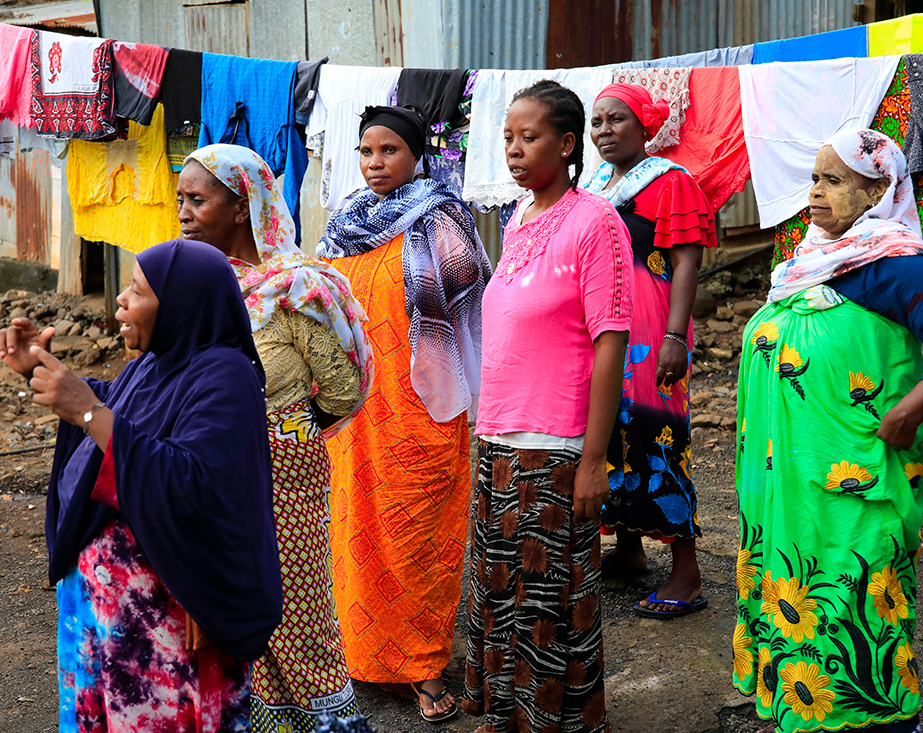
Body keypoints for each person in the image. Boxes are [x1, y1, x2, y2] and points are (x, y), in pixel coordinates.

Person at [734, 129, 923, 733]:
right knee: (797, 598)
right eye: (816, 178)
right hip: (790, 481)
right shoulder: (815, 256)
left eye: (833, 180)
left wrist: (906, 412)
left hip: (857, 476)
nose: (815, 193)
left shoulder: (896, 264)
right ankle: (805, 713)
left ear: (877, 191)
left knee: (856, 600)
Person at [0, 239, 281, 732]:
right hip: (110, 616)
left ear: (181, 304)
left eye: (137, 290)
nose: (122, 300)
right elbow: (124, 412)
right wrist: (43, 372)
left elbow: (201, 487)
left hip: (165, 623)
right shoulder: (156, 363)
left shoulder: (224, 378)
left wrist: (87, 411)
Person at [177, 143, 372, 731]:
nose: (182, 212)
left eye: (197, 199)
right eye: (180, 199)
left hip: (283, 465)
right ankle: (268, 718)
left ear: (243, 207)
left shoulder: (298, 288)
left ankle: (328, 718)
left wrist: (284, 430)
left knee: (294, 603)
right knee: (234, 600)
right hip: (210, 465)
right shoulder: (194, 282)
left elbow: (345, 387)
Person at [464, 79, 632, 733]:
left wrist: (594, 459)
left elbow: (610, 342)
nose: (513, 148)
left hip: (555, 445)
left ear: (566, 144)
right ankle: (508, 714)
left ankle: (554, 720)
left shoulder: (596, 222)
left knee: (546, 598)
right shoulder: (519, 216)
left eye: (527, 136)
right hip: (500, 438)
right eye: (507, 136)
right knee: (500, 590)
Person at [317, 105, 491, 723]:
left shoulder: (442, 217)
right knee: (353, 527)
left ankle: (421, 665)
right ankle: (361, 655)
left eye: (389, 151)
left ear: (416, 155)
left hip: (422, 406)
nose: (375, 164)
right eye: (367, 152)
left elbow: (471, 300)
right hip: (352, 410)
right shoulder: (344, 225)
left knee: (416, 533)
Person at [584, 81, 716, 619]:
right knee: (608, 434)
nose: (604, 131)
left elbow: (686, 261)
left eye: (616, 120)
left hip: (649, 333)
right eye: (596, 122)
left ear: (645, 128)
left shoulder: (670, 182)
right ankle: (629, 550)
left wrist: (675, 336)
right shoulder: (594, 185)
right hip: (606, 331)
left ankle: (686, 573)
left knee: (657, 440)